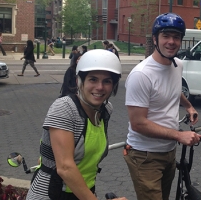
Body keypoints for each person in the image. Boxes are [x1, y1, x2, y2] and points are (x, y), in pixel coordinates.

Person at [26, 49, 127, 200]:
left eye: (107, 81)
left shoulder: (105, 110)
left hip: (83, 192)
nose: (100, 87)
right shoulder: (64, 108)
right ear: (79, 81)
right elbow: (65, 167)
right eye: (93, 79)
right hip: (52, 194)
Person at [123, 12, 201, 200]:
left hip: (168, 151)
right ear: (155, 39)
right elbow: (138, 123)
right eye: (166, 36)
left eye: (176, 37)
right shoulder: (141, 75)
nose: (171, 41)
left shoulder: (177, 65)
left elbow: (173, 89)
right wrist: (179, 135)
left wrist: (189, 106)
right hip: (145, 155)